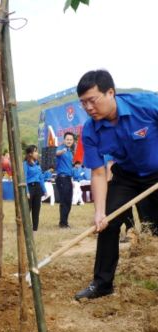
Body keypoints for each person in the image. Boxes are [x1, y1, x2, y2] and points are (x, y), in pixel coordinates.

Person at [74, 69, 158, 300]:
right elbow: (99, 173)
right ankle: (102, 284)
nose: (88, 108)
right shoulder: (90, 130)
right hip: (127, 176)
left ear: (110, 92)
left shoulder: (148, 105)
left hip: (156, 173)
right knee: (108, 223)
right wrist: (99, 212)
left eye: (92, 100)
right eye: (83, 103)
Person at [23, 145, 46, 232]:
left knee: (37, 209)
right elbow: (24, 177)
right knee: (27, 209)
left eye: (37, 151)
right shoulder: (25, 164)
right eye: (35, 151)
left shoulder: (37, 164)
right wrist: (27, 191)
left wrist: (44, 190)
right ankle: (25, 227)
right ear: (30, 154)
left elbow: (41, 178)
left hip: (37, 188)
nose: (37, 153)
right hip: (30, 187)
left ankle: (35, 229)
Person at [55, 132, 75, 228]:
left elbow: (70, 167)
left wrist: (71, 180)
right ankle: (62, 223)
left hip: (68, 179)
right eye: (67, 139)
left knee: (69, 201)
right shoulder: (61, 148)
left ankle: (65, 222)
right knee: (64, 201)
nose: (69, 141)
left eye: (71, 140)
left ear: (73, 141)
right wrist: (62, 151)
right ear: (64, 140)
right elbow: (56, 153)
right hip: (62, 178)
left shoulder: (70, 152)